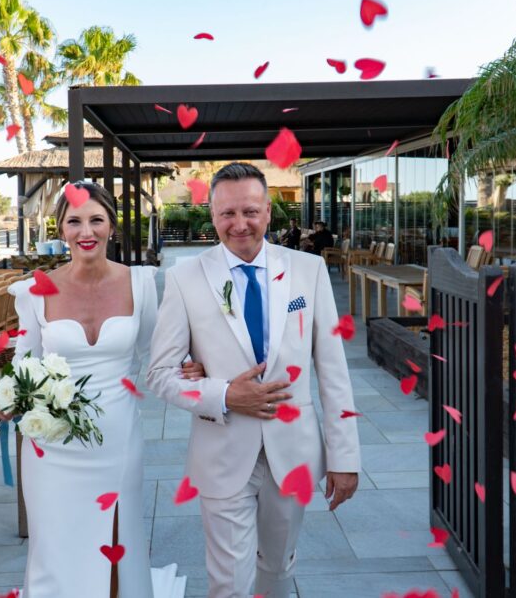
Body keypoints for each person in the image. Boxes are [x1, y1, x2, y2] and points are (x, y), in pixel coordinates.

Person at [146, 163, 361, 598]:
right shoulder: (186, 278)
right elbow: (159, 374)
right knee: (229, 581)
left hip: (294, 449)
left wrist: (345, 456)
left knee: (279, 567)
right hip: (222, 451)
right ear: (211, 214)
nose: (239, 224)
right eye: (227, 213)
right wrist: (224, 394)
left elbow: (333, 369)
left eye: (249, 211)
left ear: (267, 213)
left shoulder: (308, 270)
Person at [4, 181, 201, 598]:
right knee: (55, 543)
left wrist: (192, 367)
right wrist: (13, 397)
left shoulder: (145, 284)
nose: (86, 230)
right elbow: (24, 360)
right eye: (74, 221)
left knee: (115, 538)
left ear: (112, 225)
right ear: (60, 229)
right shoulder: (34, 290)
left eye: (96, 219)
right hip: (51, 444)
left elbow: (156, 353)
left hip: (117, 436)